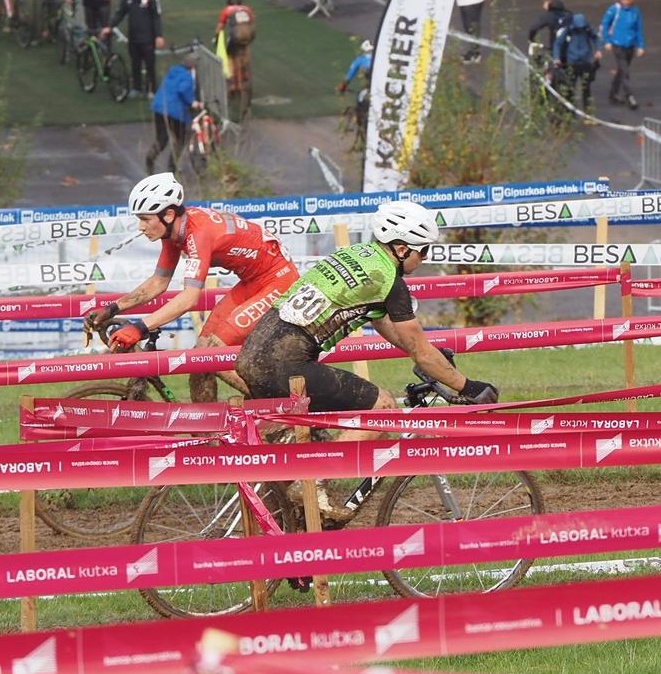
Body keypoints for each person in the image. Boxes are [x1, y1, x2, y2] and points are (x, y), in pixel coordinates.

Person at [235, 200, 496, 440]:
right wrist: (467, 386)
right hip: (285, 363)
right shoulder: (390, 283)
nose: (425, 257)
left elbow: (387, 326)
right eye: (423, 250)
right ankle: (321, 481)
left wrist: (432, 358)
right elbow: (420, 351)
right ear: (402, 249)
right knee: (383, 408)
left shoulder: (359, 254)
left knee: (309, 434)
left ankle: (291, 484)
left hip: (253, 354)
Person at [83, 173, 301, 401]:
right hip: (253, 280)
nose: (140, 227)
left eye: (146, 219)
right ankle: (208, 433)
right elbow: (158, 282)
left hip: (278, 280)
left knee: (211, 354)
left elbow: (189, 299)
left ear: (168, 214)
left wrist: (139, 328)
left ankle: (286, 408)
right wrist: (112, 309)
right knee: (200, 359)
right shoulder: (173, 232)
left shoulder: (198, 233)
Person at [111, 0, 165, 99]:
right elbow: (120, 13)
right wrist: (110, 25)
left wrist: (158, 35)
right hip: (133, 38)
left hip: (147, 39)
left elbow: (156, 17)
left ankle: (152, 89)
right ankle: (137, 88)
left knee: (150, 64)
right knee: (135, 63)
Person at [598, 0, 646, 110]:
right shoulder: (614, 10)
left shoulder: (636, 12)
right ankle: (629, 96)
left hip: (630, 45)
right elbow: (604, 24)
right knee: (625, 71)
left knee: (621, 70)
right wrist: (607, 41)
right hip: (617, 45)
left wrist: (640, 45)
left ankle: (613, 94)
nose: (625, 2)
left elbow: (638, 29)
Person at [149, 59, 197, 169]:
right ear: (192, 69)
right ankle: (172, 167)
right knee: (180, 139)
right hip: (175, 112)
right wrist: (192, 102)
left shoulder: (172, 73)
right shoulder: (187, 76)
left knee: (162, 138)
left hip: (159, 108)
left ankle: (151, 157)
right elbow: (183, 90)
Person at [554, 11, 599, 112]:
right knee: (570, 88)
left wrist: (598, 50)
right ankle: (569, 112)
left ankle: (588, 113)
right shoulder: (569, 29)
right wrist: (557, 57)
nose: (580, 29)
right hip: (572, 62)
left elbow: (595, 38)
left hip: (585, 62)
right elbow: (558, 43)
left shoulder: (587, 28)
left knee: (586, 88)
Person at [216, 0, 255, 99]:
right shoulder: (247, 9)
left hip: (236, 34)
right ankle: (245, 69)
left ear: (228, 4)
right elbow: (252, 22)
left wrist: (216, 37)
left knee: (229, 55)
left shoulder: (227, 10)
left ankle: (232, 82)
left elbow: (220, 26)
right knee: (245, 47)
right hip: (250, 33)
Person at [337, 39, 372, 134]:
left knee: (360, 101)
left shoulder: (360, 59)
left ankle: (362, 128)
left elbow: (350, 74)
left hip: (369, 88)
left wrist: (343, 86)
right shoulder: (381, 57)